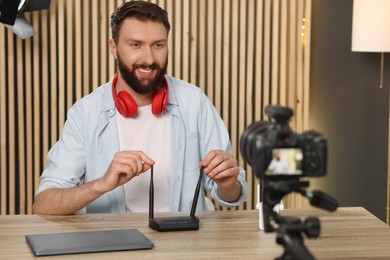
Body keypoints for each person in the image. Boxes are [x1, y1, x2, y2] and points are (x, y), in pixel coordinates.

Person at [32, 0, 248, 215]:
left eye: (158, 45)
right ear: (113, 48)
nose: (149, 58)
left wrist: (228, 183)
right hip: (114, 243)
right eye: (136, 45)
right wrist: (102, 184)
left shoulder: (194, 102)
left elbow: (231, 196)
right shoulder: (85, 113)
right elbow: (43, 205)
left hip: (185, 244)